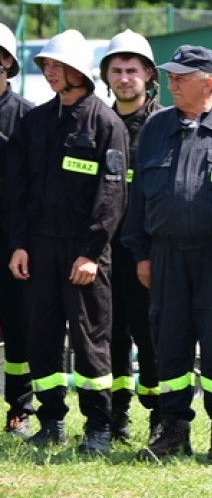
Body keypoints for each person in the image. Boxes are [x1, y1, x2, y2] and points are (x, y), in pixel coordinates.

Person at [122, 45, 212, 462]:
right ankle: (174, 428)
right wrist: (142, 253)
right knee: (170, 341)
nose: (171, 82)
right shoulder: (157, 127)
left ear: (209, 82)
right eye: (171, 75)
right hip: (165, 255)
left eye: (181, 76)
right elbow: (138, 198)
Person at [5, 29, 130, 454]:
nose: (49, 73)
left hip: (84, 252)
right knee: (41, 335)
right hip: (38, 248)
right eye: (45, 66)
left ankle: (98, 426)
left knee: (90, 338)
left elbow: (112, 194)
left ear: (79, 70)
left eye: (56, 66)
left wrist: (91, 253)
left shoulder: (106, 123)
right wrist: (20, 244)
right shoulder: (35, 121)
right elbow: (18, 190)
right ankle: (51, 420)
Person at [100, 29, 164, 444]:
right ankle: (115, 417)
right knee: (109, 337)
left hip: (149, 252)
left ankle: (162, 416)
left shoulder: (162, 126)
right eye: (117, 71)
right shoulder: (98, 123)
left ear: (148, 75)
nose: (124, 78)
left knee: (152, 334)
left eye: (132, 71)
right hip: (105, 251)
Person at [0, 24, 34, 436]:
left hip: (11, 241)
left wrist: (23, 242)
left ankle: (19, 410)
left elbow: (35, 188)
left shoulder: (26, 117)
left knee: (18, 327)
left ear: (7, 61)